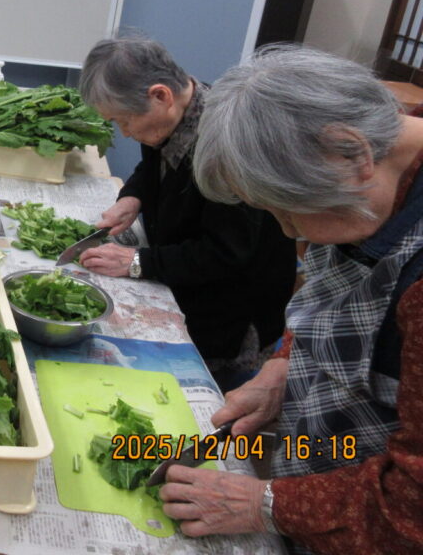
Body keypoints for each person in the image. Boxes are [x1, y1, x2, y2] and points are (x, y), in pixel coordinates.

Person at [162, 46, 423, 553]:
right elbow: (332, 296)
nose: (288, 232)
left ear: (353, 156)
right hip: (320, 466)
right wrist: (283, 367)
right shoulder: (371, 162)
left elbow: (413, 508)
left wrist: (263, 505)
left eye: (289, 212)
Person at [77, 38, 296, 387]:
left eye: (125, 121)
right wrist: (133, 197)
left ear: (160, 95)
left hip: (231, 313)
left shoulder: (227, 146)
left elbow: (225, 253)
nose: (125, 132)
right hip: (191, 278)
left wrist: (137, 262)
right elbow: (154, 166)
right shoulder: (177, 112)